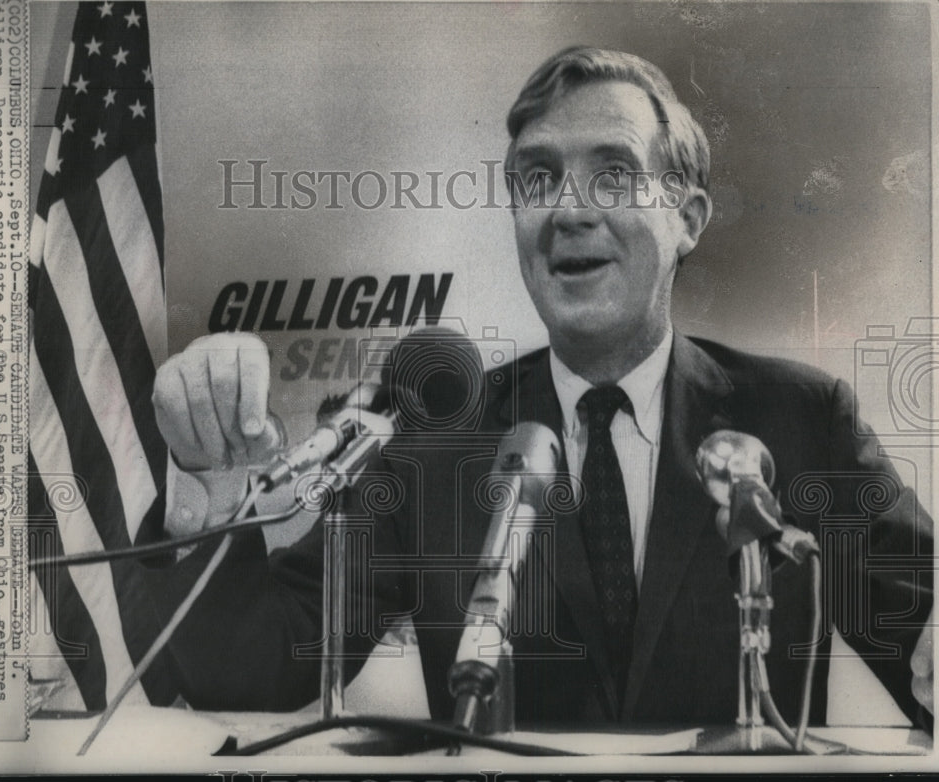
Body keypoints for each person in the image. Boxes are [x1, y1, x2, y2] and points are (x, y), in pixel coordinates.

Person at [149, 47, 934, 730]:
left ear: (687, 218)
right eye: (538, 179)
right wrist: (213, 483)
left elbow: (927, 644)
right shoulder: (431, 440)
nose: (567, 208)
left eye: (614, 174)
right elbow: (254, 673)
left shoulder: (803, 420)